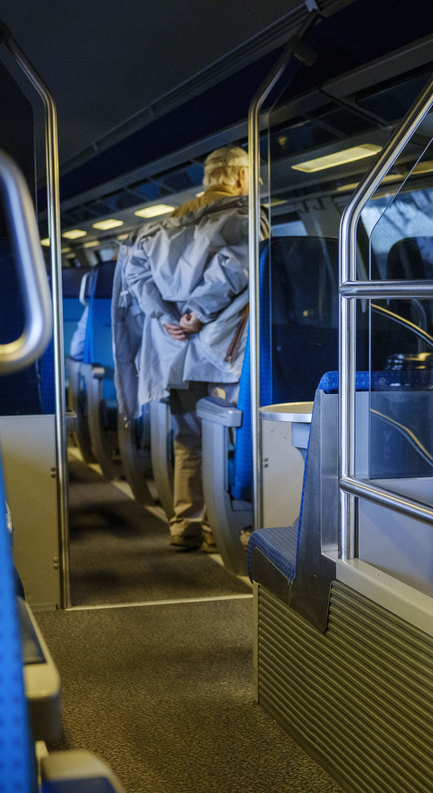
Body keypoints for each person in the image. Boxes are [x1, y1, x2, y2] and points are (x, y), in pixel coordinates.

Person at [111, 145, 257, 550]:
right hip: (222, 352)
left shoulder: (164, 225)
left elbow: (135, 275)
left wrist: (165, 316)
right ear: (241, 177)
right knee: (227, 441)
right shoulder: (244, 216)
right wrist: (197, 312)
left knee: (188, 438)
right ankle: (218, 530)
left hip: (174, 352)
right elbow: (234, 267)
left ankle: (184, 525)